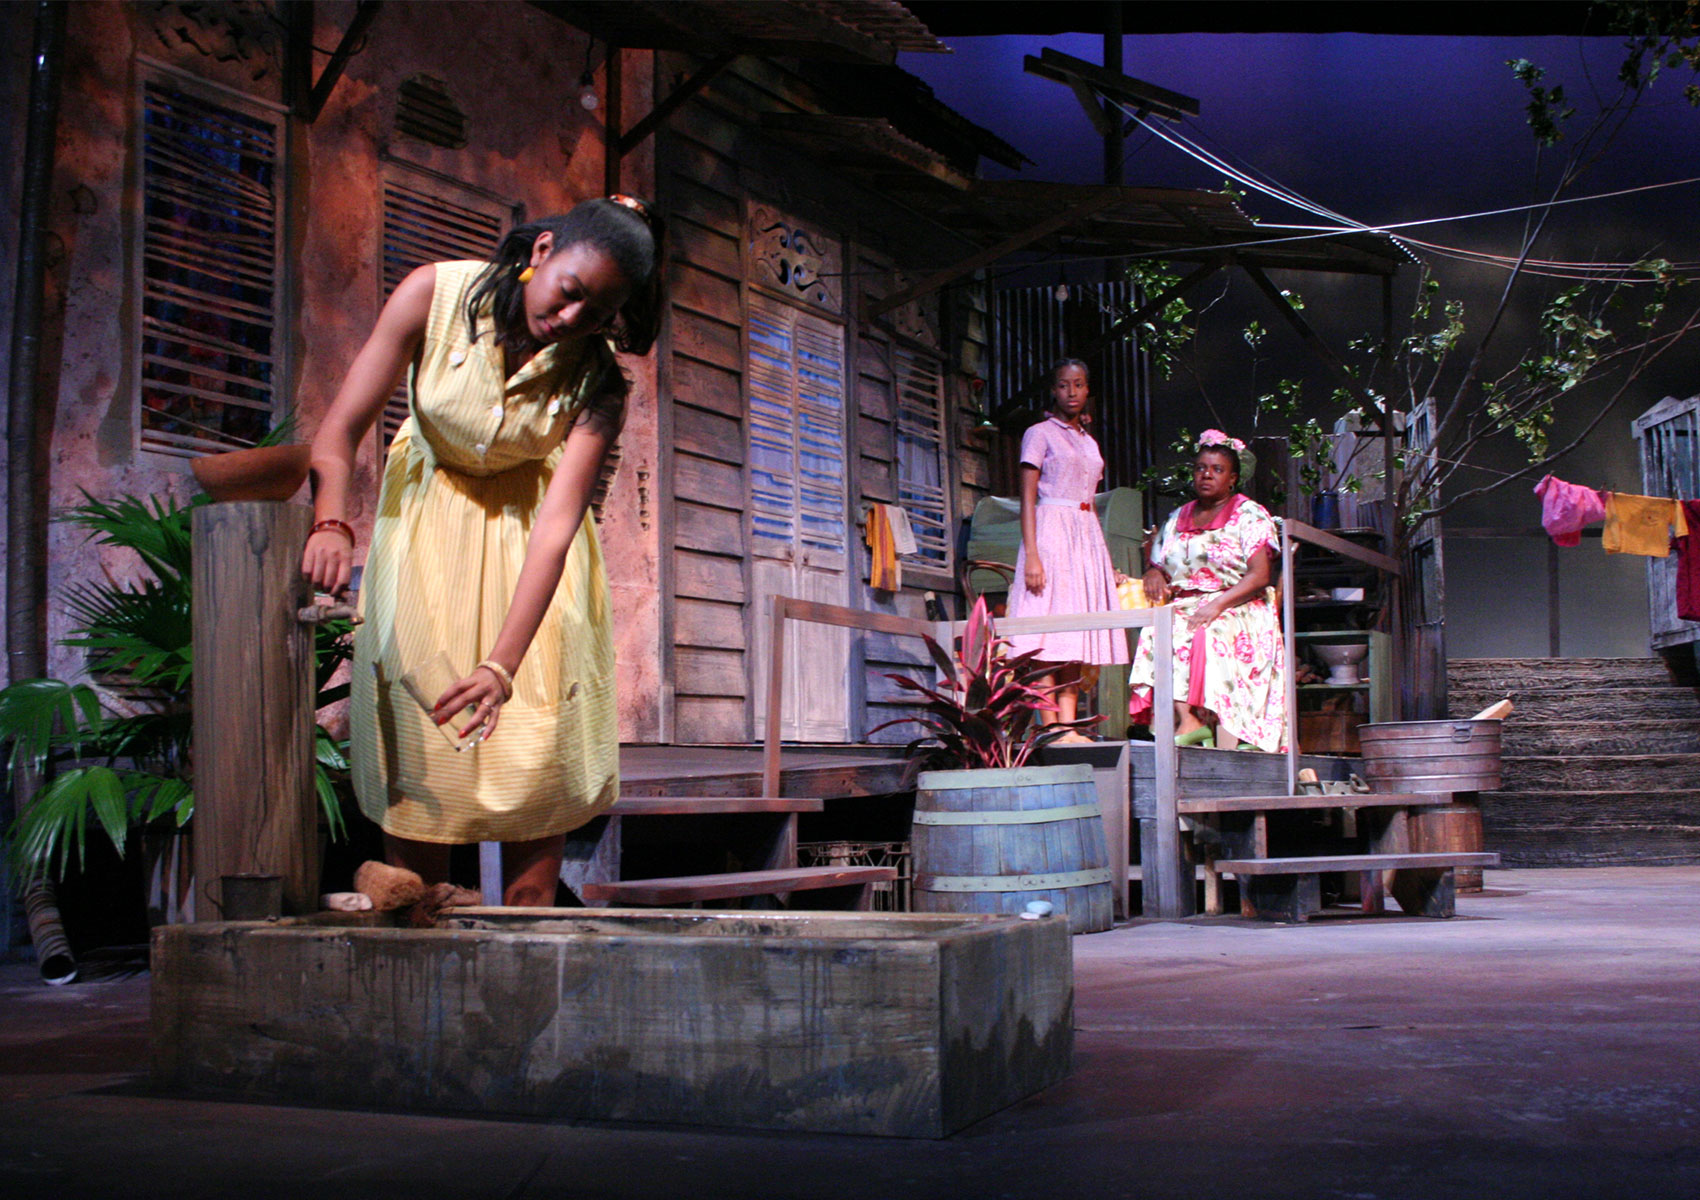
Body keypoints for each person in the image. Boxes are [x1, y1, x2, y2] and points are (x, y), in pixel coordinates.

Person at [301, 196, 664, 905]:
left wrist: (502, 663)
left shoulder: (597, 379)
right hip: (426, 531)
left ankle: (529, 939)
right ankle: (417, 940)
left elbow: (559, 525)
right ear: (541, 253)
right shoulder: (433, 297)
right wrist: (330, 523)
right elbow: (338, 430)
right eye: (570, 295)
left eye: (596, 314)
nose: (570, 321)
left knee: (535, 741)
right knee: (421, 729)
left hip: (530, 551)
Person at [1129, 430, 1287, 751]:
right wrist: (1154, 572)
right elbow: (1161, 561)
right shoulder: (1178, 517)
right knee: (1157, 629)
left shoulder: (1249, 514)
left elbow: (1259, 576)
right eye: (1201, 468)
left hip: (1240, 601)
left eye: (1217, 469)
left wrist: (1217, 605)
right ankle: (1187, 720)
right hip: (1188, 601)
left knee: (1209, 631)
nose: (1207, 475)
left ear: (1232, 479)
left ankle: (1235, 733)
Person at [1003, 358, 1129, 742]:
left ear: (1087, 390)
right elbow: (1027, 499)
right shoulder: (1039, 433)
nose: (1071, 393)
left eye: (1078, 385)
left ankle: (1069, 727)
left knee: (1075, 636)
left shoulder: (1088, 440)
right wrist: (1033, 554)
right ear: (1053, 390)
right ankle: (1051, 727)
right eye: (1063, 385)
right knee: (1047, 632)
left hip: (1085, 535)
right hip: (1051, 532)